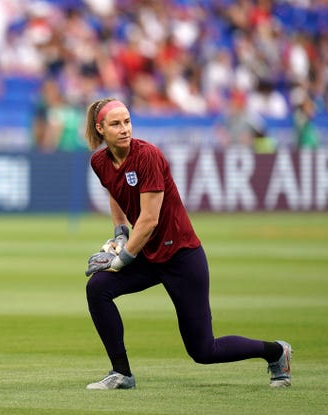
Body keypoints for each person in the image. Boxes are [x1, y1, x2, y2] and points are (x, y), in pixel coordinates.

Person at [82, 98, 292, 390]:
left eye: (127, 121)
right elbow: (114, 193)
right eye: (116, 124)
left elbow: (149, 221)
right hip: (147, 254)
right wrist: (119, 232)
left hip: (180, 255)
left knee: (203, 351)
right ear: (100, 128)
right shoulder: (99, 161)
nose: (124, 129)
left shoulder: (148, 156)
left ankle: (276, 352)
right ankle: (121, 373)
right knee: (98, 288)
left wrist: (122, 259)